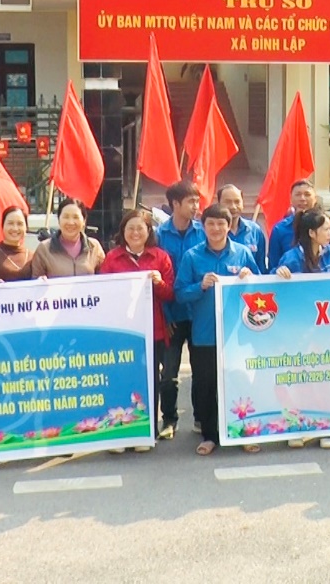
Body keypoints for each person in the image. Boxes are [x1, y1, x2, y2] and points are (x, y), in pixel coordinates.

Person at [175, 204, 261, 456]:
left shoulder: (242, 253)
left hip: (238, 334)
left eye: (221, 223)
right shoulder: (192, 257)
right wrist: (199, 286)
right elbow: (179, 293)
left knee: (240, 382)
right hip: (205, 334)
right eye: (210, 223)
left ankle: (242, 431)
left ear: (228, 225)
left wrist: (250, 277)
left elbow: (262, 286)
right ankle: (210, 435)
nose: (216, 228)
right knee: (206, 385)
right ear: (203, 227)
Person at [275, 209, 330, 449]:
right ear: (312, 233)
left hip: (327, 328)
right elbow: (275, 288)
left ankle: (326, 427)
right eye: (326, 229)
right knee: (300, 379)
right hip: (299, 330)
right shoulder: (292, 258)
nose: (329, 233)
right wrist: (278, 274)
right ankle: (297, 427)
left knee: (324, 379)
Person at [98, 209, 175, 454]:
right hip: (121, 332)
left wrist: (159, 283)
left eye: (140, 228)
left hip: (153, 330)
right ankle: (120, 434)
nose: (135, 233)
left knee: (149, 381)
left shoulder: (160, 257)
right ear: (123, 232)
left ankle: (145, 432)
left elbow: (170, 294)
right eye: (130, 228)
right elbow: (103, 293)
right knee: (121, 380)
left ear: (149, 231)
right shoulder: (112, 258)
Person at [155, 181, 205, 438]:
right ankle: (169, 420)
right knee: (169, 374)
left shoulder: (204, 232)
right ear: (175, 204)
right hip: (171, 314)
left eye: (197, 201)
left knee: (201, 371)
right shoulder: (159, 235)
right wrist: (165, 315)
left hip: (198, 313)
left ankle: (201, 418)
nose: (196, 206)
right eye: (191, 202)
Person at [30, 198, 105, 279]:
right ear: (59, 220)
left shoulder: (94, 247)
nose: (70, 222)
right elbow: (35, 279)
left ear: (84, 221)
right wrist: (40, 281)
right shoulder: (44, 249)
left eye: (75, 217)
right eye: (66, 217)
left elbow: (104, 278)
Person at [219, 184, 269, 274]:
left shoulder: (255, 231)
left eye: (237, 202)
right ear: (219, 203)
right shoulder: (212, 231)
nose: (233, 207)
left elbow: (261, 268)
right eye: (228, 202)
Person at [268, 179, 319, 266]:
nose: (302, 199)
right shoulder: (280, 229)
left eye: (307, 194)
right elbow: (273, 265)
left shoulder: (325, 226)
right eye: (298, 195)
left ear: (315, 199)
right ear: (291, 199)